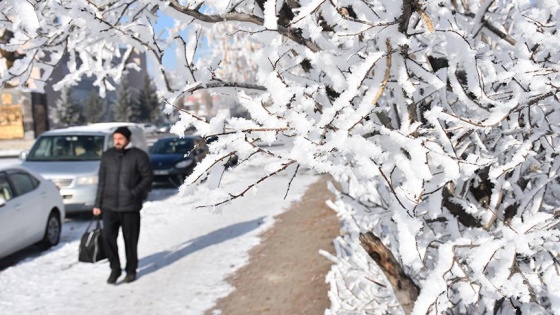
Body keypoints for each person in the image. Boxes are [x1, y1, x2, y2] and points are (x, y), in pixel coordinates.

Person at [93, 126, 153, 284]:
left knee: (130, 241)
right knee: (108, 239)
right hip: (109, 207)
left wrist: (134, 192)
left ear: (127, 139)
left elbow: (147, 178)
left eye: (120, 139)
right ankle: (115, 268)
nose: (117, 142)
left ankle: (131, 270)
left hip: (130, 208)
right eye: (115, 139)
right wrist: (97, 203)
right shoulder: (107, 156)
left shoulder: (139, 156)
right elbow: (102, 182)